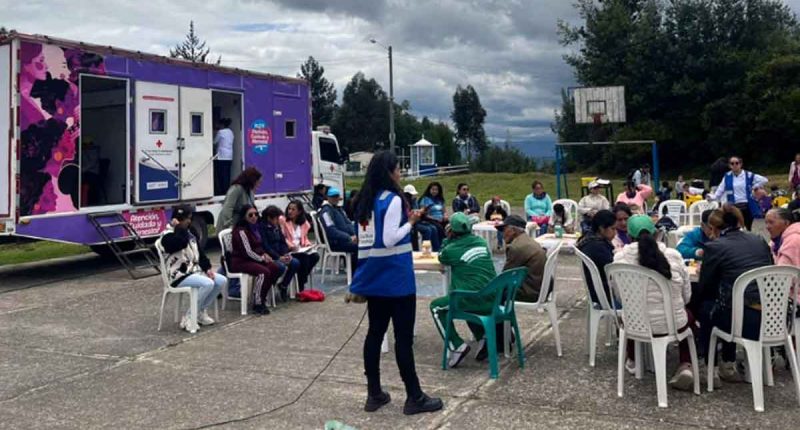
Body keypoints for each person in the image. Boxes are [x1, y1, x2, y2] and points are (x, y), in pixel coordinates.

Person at [348, 151, 443, 415]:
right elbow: (390, 239)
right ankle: (414, 396)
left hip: (373, 278)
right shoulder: (391, 200)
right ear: (390, 171)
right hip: (397, 280)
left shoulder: (364, 201)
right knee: (403, 340)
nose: (400, 173)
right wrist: (411, 222)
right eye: (398, 169)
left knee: (374, 334)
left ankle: (374, 393)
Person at [613, 215, 695, 390]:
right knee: (689, 316)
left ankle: (633, 359)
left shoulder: (620, 260)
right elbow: (686, 297)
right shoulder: (674, 256)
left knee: (630, 314)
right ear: (657, 234)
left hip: (637, 324)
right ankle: (685, 364)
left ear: (628, 235)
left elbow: (620, 298)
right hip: (674, 323)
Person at [697, 204, 773, 382]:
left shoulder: (716, 246)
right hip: (771, 316)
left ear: (713, 228)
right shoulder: (759, 240)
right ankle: (728, 362)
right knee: (730, 302)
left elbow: (705, 286)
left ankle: (709, 366)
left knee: (707, 306)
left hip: (741, 321)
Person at [430, 212, 497, 368]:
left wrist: (446, 239)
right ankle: (483, 338)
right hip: (492, 298)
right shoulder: (481, 242)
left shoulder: (450, 249)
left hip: (472, 300)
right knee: (467, 292)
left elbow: (441, 256)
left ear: (451, 230)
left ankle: (456, 346)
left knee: (437, 307)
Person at [161, 205, 226, 332]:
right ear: (177, 220)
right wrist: (179, 228)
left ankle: (200, 311)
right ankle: (190, 316)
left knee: (221, 281)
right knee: (207, 283)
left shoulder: (190, 233)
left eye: (189, 218)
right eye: (186, 219)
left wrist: (207, 268)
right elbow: (180, 243)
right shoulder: (167, 235)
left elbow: (200, 253)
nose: (189, 221)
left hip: (195, 271)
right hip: (178, 275)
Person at [230, 205, 281, 315]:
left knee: (275, 268)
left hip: (253, 259)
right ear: (244, 216)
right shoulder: (241, 231)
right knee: (263, 272)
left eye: (256, 214)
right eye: (250, 215)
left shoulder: (253, 228)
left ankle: (262, 295)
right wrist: (262, 259)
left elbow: (258, 246)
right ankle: (258, 303)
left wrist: (265, 255)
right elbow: (247, 251)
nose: (254, 217)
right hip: (240, 261)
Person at [497, 215, 546, 302]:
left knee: (492, 293)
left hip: (530, 293)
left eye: (504, 230)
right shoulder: (528, 240)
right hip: (541, 287)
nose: (502, 234)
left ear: (513, 231)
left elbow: (505, 276)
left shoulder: (515, 247)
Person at [710, 156, 768, 231]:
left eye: (736, 163)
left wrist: (754, 187)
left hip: (746, 205)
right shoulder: (727, 176)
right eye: (732, 163)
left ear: (740, 164)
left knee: (747, 228)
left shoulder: (748, 175)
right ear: (729, 165)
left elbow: (764, 180)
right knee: (734, 227)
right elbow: (720, 190)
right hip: (733, 206)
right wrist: (712, 197)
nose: (734, 165)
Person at [576, 210, 617, 306]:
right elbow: (613, 269)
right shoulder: (597, 247)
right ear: (602, 228)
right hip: (603, 295)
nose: (615, 233)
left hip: (597, 290)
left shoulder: (588, 238)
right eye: (613, 229)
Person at [260, 206, 299, 302]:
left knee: (295, 263)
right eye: (276, 219)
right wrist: (278, 257)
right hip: (271, 256)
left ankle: (284, 285)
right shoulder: (263, 228)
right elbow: (266, 246)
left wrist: (286, 254)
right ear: (269, 218)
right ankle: (271, 285)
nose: (278, 221)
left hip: (281, 254)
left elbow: (282, 241)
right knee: (280, 267)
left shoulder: (276, 227)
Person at [281, 200, 320, 292]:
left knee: (315, 256)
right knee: (304, 258)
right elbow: (282, 237)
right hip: (289, 249)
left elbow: (304, 238)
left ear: (299, 212)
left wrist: (308, 244)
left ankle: (301, 278)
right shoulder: (283, 221)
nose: (290, 211)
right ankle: (301, 284)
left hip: (300, 249)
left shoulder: (303, 224)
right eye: (289, 209)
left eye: (293, 209)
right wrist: (291, 246)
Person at [318, 186, 358, 274]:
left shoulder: (339, 209)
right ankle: (354, 274)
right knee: (358, 247)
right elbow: (331, 231)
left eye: (336, 196)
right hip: (336, 242)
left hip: (344, 239)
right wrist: (349, 237)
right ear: (327, 197)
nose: (335, 198)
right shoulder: (325, 212)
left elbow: (348, 223)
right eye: (333, 196)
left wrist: (356, 235)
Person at [216, 167, 262, 232]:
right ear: (252, 180)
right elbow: (227, 208)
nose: (258, 185)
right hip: (230, 226)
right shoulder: (236, 189)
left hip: (241, 226)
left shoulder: (250, 191)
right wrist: (229, 226)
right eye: (258, 182)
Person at [405, 184, 439, 252]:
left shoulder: (414, 201)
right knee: (427, 230)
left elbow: (418, 212)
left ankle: (436, 250)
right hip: (411, 223)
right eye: (412, 194)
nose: (414, 196)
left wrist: (420, 212)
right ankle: (424, 250)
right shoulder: (405, 203)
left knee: (433, 228)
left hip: (418, 221)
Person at [418, 182, 447, 248]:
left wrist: (445, 215)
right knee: (437, 228)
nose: (435, 191)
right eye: (433, 189)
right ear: (429, 190)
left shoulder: (440, 200)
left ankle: (446, 247)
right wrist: (435, 219)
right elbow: (424, 214)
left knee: (449, 227)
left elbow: (444, 210)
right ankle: (437, 248)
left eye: (436, 190)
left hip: (441, 219)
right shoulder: (425, 199)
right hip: (430, 219)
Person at [213, 118, 234, 196]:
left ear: (222, 124)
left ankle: (222, 191)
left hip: (221, 156)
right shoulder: (231, 132)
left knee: (221, 175)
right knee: (227, 174)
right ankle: (227, 190)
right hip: (229, 156)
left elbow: (215, 142)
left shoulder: (220, 132)